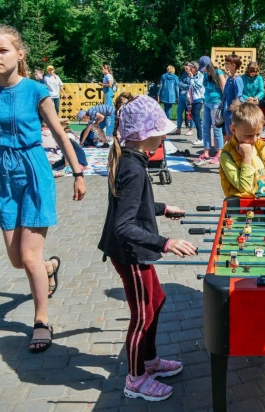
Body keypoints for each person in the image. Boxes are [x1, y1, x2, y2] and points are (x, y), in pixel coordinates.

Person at [98, 94, 197, 401]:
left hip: (133, 252)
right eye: (160, 131)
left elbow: (138, 205)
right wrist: (165, 242)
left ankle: (150, 361)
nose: (164, 136)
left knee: (158, 300)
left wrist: (164, 207)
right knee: (142, 315)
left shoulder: (131, 160)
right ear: (144, 136)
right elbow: (124, 225)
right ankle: (135, 379)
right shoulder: (134, 168)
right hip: (130, 254)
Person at [0, 25, 86, 352]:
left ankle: (41, 319)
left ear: (19, 54)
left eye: (2, 50)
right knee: (17, 260)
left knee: (28, 254)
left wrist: (77, 171)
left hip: (33, 172)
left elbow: (62, 134)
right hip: (2, 178)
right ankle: (50, 268)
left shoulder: (36, 91)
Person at [219, 101, 265, 197]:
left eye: (258, 134)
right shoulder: (227, 156)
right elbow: (245, 188)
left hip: (264, 204)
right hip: (243, 208)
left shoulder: (260, 147)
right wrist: (246, 157)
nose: (254, 140)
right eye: (249, 135)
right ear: (233, 130)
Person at [194, 56, 226, 166]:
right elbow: (205, 88)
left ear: (209, 66)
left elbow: (224, 89)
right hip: (207, 103)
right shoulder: (205, 75)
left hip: (217, 103)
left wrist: (224, 105)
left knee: (216, 129)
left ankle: (219, 153)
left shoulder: (218, 73)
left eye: (205, 68)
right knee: (205, 128)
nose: (205, 71)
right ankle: (206, 152)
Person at [222, 54, 244, 143]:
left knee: (233, 135)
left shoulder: (237, 79)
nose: (225, 64)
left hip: (231, 113)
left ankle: (235, 155)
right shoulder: (230, 78)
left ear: (233, 65)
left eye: (227, 63)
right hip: (226, 112)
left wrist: (230, 108)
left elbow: (238, 96)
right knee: (228, 135)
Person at [173, 62, 195, 136]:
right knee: (179, 112)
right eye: (185, 67)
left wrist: (184, 86)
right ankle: (178, 129)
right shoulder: (184, 75)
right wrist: (186, 86)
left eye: (187, 67)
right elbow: (179, 84)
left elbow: (192, 86)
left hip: (189, 96)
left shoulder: (193, 75)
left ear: (191, 67)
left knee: (190, 113)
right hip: (182, 95)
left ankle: (191, 129)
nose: (185, 68)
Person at [187, 61, 205, 146]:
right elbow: (191, 87)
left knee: (197, 119)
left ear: (195, 68)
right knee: (195, 118)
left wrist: (191, 78)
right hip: (194, 100)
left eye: (191, 68)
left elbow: (196, 86)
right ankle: (200, 136)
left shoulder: (200, 75)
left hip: (198, 99)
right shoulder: (194, 76)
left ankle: (200, 138)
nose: (190, 70)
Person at [99, 64, 116, 135]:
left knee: (109, 109)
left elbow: (110, 85)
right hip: (106, 93)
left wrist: (102, 84)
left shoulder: (108, 76)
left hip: (108, 92)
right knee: (106, 109)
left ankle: (109, 132)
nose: (102, 71)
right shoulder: (106, 76)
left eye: (102, 69)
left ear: (106, 69)